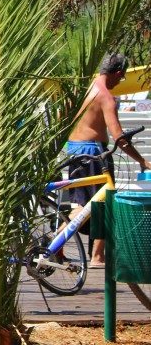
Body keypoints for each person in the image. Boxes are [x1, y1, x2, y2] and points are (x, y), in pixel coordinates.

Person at [67, 52, 150, 266]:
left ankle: (55, 245)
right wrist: (142, 161)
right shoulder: (106, 97)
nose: (118, 82)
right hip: (95, 154)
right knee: (104, 204)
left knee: (81, 205)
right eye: (120, 78)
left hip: (75, 150)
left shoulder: (84, 87)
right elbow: (119, 138)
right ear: (118, 73)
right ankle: (97, 256)